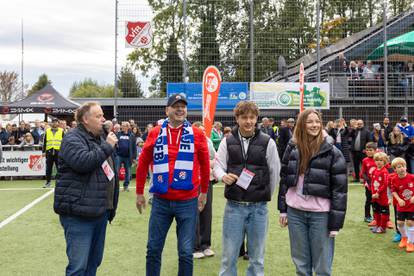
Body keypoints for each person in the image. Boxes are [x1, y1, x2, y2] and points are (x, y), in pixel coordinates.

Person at [135, 93, 210, 276]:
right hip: (161, 201)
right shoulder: (155, 133)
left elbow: (205, 163)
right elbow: (143, 162)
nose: (180, 109)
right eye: (175, 105)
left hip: (187, 201)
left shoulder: (197, 133)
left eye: (183, 106)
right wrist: (139, 192)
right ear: (167, 110)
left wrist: (204, 192)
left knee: (185, 253)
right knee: (153, 249)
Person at [214, 101, 281, 276]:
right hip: (234, 207)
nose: (248, 121)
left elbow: (275, 172)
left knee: (257, 259)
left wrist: (264, 194)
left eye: (252, 117)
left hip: (259, 209)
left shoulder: (268, 142)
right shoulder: (227, 141)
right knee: (229, 258)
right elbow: (218, 166)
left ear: (257, 118)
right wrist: (223, 176)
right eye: (244, 117)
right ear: (237, 118)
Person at [278, 109, 347, 276]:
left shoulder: (332, 151)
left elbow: (340, 190)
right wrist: (283, 210)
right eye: (309, 122)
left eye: (317, 121)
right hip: (295, 213)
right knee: (301, 264)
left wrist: (335, 224)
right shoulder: (292, 147)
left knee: (322, 266)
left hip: (320, 215)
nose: (314, 125)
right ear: (302, 124)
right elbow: (285, 179)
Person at [54, 101, 119, 276]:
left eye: (103, 116)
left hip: (100, 211)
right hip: (79, 213)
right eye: (98, 116)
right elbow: (83, 162)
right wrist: (107, 146)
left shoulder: (100, 138)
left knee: (93, 263)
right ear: (85, 119)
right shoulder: (72, 138)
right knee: (78, 267)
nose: (103, 120)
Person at [192, 121, 216, 259]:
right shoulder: (189, 141)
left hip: (207, 181)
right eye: (198, 130)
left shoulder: (208, 141)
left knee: (207, 212)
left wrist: (209, 164)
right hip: (193, 182)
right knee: (194, 212)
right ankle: (195, 247)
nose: (201, 132)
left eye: (203, 130)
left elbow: (214, 158)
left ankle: (205, 245)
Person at [390, 157, 414, 252]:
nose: (401, 168)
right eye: (399, 167)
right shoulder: (394, 179)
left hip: (411, 205)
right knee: (400, 223)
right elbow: (393, 191)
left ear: (406, 167)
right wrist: (399, 199)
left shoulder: (412, 177)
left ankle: (411, 243)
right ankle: (404, 238)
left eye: (403, 166)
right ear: (395, 169)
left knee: (410, 222)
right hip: (402, 205)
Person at [370, 152, 390, 234]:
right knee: (376, 211)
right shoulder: (374, 170)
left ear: (385, 161)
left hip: (383, 196)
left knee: (384, 212)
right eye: (377, 160)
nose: (379, 162)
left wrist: (378, 192)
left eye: (381, 160)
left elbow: (385, 184)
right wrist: (373, 192)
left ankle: (383, 227)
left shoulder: (384, 171)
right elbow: (372, 182)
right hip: (375, 196)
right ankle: (377, 225)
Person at [42, 118, 64, 188]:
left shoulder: (61, 131)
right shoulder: (47, 131)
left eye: (56, 122)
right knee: (48, 168)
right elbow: (44, 142)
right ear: (51, 123)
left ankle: (61, 183)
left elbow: (64, 142)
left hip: (58, 152)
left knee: (59, 168)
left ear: (58, 123)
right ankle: (48, 182)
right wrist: (43, 151)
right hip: (49, 152)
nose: (54, 123)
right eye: (53, 122)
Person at [115, 121, 137, 192]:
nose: (122, 127)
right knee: (116, 171)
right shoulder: (118, 134)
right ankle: (116, 186)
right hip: (119, 155)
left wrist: (134, 157)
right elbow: (115, 143)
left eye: (124, 126)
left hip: (128, 157)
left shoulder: (132, 135)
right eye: (122, 126)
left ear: (127, 127)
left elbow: (134, 147)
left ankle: (126, 186)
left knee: (128, 172)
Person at [360, 142, 377, 223]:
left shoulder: (378, 159)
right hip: (369, 184)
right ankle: (367, 216)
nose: (369, 152)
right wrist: (367, 181)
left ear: (375, 150)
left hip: (377, 184)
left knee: (377, 201)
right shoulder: (365, 160)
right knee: (369, 200)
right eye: (367, 150)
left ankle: (376, 216)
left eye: (371, 150)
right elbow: (363, 172)